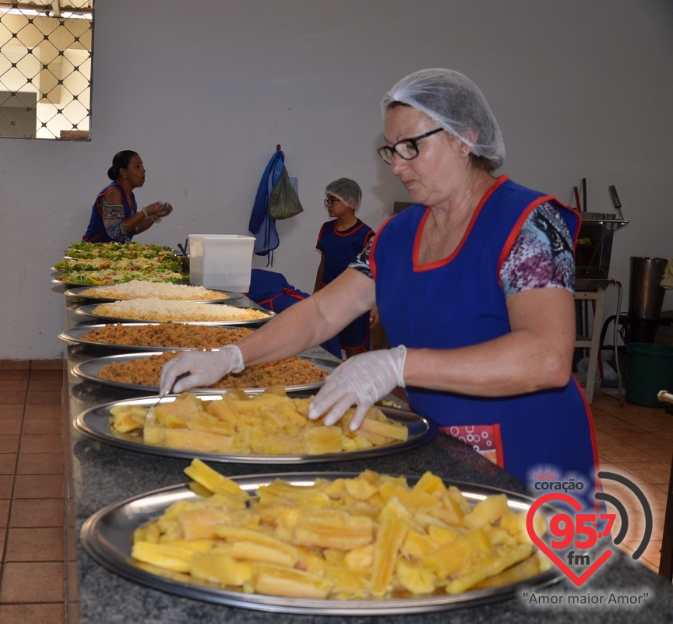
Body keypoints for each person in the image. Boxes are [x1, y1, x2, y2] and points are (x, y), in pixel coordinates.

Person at [160, 68, 597, 494]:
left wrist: (397, 365)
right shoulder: (397, 235)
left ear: (466, 138)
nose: (397, 166)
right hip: (444, 447)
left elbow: (546, 357)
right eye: (391, 150)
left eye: (411, 147)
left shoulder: (526, 224)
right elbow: (321, 312)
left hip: (530, 458)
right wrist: (231, 357)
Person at [314, 178, 376, 357]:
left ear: (350, 202)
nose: (328, 205)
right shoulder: (326, 229)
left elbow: (373, 273)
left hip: (353, 301)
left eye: (332, 201)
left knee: (353, 350)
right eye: (327, 200)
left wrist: (374, 304)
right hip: (328, 297)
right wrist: (316, 293)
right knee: (328, 348)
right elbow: (324, 263)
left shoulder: (366, 235)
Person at [82, 150, 173, 243]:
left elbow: (134, 228)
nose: (143, 170)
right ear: (123, 172)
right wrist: (144, 212)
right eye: (137, 166)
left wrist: (154, 216)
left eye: (142, 166)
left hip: (112, 253)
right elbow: (115, 231)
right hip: (94, 252)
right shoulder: (113, 192)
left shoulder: (130, 196)